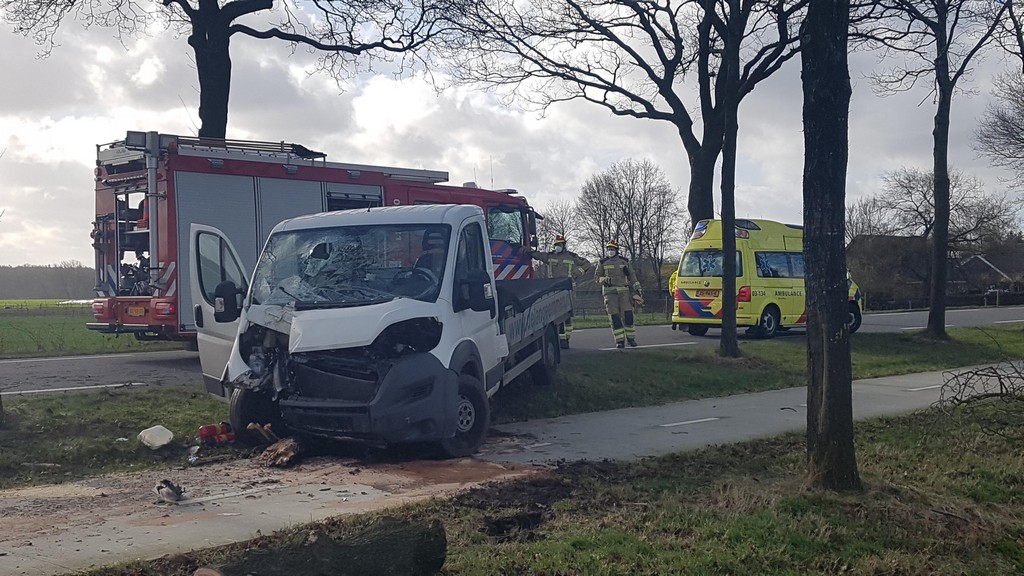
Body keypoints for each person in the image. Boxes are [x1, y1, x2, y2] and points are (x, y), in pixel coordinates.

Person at [529, 234, 591, 348]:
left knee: (567, 316)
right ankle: (560, 339)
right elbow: (539, 255)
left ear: (564, 245)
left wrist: (578, 272)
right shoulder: (550, 256)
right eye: (556, 245)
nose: (558, 246)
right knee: (556, 316)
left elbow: (587, 264)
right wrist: (529, 251)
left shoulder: (572, 257)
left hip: (568, 289)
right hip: (554, 290)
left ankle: (565, 340)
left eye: (560, 244)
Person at [595, 240, 643, 348]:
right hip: (610, 294)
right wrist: (604, 279)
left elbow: (632, 275)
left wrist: (637, 288)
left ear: (617, 250)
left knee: (628, 316)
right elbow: (597, 277)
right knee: (615, 318)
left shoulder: (624, 261)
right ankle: (620, 341)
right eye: (609, 249)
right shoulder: (602, 262)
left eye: (612, 249)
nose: (610, 251)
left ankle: (631, 339)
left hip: (624, 294)